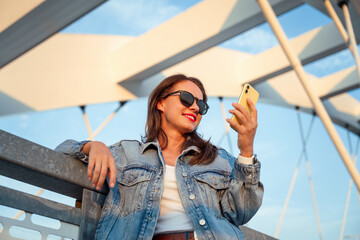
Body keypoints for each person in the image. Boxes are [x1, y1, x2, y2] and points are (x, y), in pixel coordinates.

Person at [55, 74, 263, 240]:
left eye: (201, 105)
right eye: (187, 98)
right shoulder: (128, 154)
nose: (194, 108)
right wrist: (92, 147)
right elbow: (56, 158)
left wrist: (246, 151)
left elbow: (241, 211)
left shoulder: (218, 159)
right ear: (161, 103)